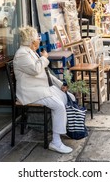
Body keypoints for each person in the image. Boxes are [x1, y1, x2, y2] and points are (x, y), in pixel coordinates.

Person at [13, 26, 75, 154]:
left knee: (68, 97)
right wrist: (45, 58)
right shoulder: (21, 54)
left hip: (40, 88)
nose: (39, 40)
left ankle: (63, 130)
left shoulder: (30, 51)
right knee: (58, 106)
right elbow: (35, 69)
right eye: (38, 38)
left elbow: (46, 73)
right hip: (30, 92)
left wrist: (60, 84)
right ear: (31, 40)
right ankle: (56, 142)